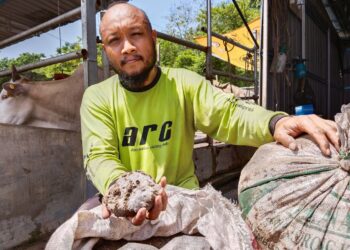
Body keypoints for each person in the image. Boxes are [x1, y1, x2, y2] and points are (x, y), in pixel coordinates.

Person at [80, 2, 339, 226]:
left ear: (153, 37)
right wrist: (122, 190)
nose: (127, 47)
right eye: (115, 40)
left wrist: (276, 122)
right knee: (72, 232)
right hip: (122, 197)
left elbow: (229, 113)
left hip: (182, 197)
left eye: (136, 34)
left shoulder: (184, 83)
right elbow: (99, 156)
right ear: (105, 49)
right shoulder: (97, 97)